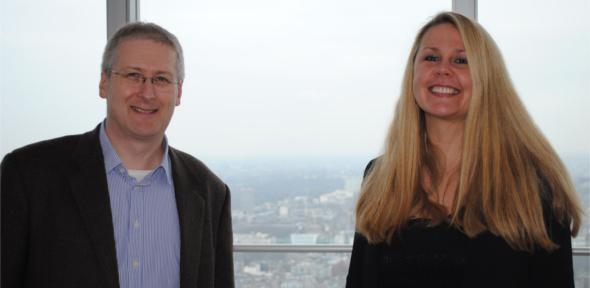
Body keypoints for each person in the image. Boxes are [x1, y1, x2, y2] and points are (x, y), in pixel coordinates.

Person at [346, 12, 582, 288]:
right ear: (413, 73)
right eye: (431, 58)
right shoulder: (382, 175)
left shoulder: (532, 184)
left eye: (461, 60)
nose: (443, 69)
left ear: (487, 79)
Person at [1, 22, 234, 288]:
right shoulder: (29, 176)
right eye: (134, 75)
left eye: (160, 79)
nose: (146, 92)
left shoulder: (209, 191)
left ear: (178, 92)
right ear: (104, 83)